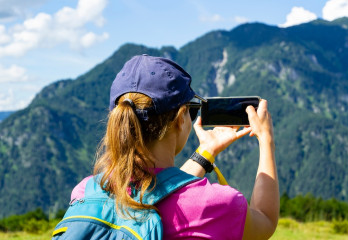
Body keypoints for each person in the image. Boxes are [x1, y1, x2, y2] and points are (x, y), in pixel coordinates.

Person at [70, 54, 279, 239]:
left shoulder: (86, 192)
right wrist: (266, 139)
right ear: (180, 118)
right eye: (192, 110)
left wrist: (205, 153)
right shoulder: (216, 205)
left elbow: (161, 193)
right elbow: (266, 221)